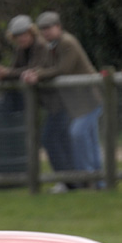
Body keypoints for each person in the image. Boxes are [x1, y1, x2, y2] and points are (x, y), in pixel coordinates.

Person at [22, 12, 103, 192]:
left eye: (49, 28)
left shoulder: (67, 42)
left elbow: (62, 69)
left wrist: (37, 75)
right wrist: (34, 72)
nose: (46, 32)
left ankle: (88, 179)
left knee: (78, 135)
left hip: (88, 100)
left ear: (58, 27)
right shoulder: (53, 45)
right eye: (43, 29)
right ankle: (99, 183)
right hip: (78, 104)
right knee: (90, 141)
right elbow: (47, 66)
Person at [0, 14, 72, 179]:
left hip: (60, 102)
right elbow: (15, 70)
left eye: (24, 34)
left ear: (31, 32)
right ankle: (71, 180)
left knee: (51, 139)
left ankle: (69, 181)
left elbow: (32, 70)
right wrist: (1, 73)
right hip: (49, 105)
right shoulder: (21, 50)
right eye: (17, 35)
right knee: (59, 141)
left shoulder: (41, 46)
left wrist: (7, 73)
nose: (21, 38)